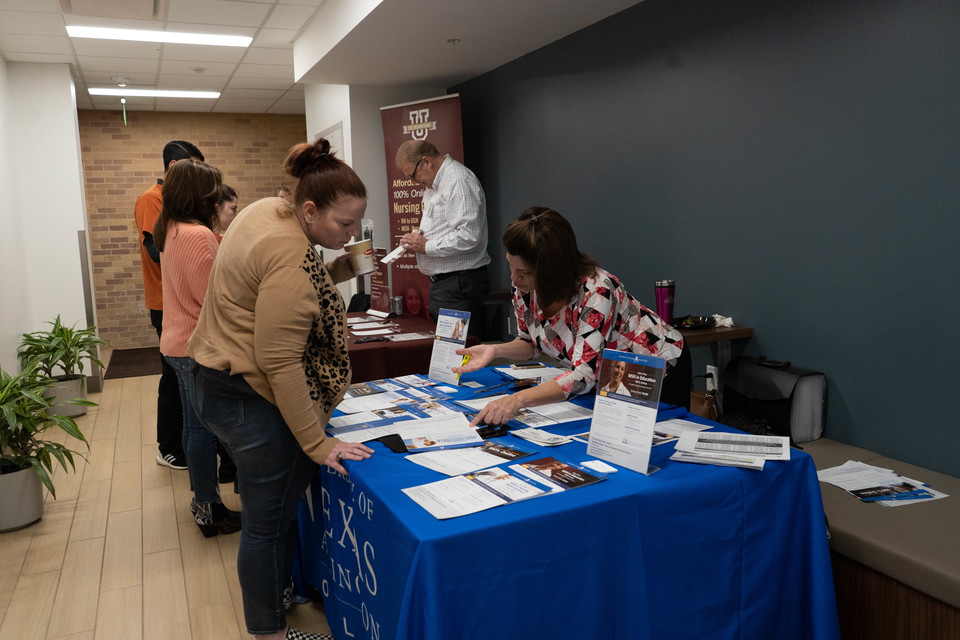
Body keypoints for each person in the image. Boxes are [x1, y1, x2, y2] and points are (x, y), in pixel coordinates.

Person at [188, 138, 375, 640]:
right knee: (266, 526)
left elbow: (285, 285)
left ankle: (282, 596)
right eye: (344, 225)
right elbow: (280, 360)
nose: (351, 234)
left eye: (357, 225)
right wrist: (318, 444)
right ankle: (271, 633)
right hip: (248, 394)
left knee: (267, 512)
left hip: (213, 379)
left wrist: (344, 267)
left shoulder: (268, 210)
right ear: (310, 210)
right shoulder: (291, 257)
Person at [455, 207, 691, 426]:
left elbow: (583, 376)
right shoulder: (525, 288)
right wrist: (496, 350)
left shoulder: (596, 292)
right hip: (610, 375)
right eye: (511, 266)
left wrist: (517, 400)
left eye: (524, 272)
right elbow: (530, 342)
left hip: (656, 368)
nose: (514, 278)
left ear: (551, 269)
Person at [154, 159, 241, 538]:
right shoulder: (198, 235)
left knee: (194, 428)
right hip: (196, 346)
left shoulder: (170, 228)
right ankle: (209, 507)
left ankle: (204, 504)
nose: (216, 198)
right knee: (206, 431)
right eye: (213, 191)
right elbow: (213, 302)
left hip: (176, 343)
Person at [134, 139, 204, 470]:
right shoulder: (152, 198)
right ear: (176, 167)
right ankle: (169, 447)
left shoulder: (183, 205)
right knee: (174, 378)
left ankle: (190, 444)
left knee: (188, 382)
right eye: (195, 167)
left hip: (183, 300)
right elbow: (156, 251)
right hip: (166, 302)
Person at [394, 140, 491, 324]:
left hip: (459, 283)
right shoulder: (433, 185)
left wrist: (427, 246)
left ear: (426, 162)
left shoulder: (458, 181)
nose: (414, 182)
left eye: (413, 176)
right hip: (445, 283)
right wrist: (417, 239)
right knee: (445, 343)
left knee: (459, 344)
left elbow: (469, 236)